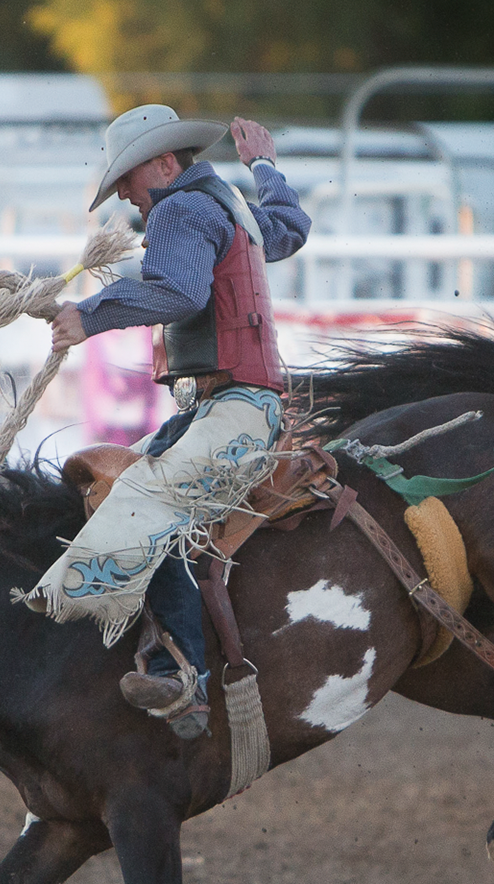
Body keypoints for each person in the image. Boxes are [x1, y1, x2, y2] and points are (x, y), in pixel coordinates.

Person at [30, 105, 311, 738]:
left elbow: (182, 293)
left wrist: (89, 315)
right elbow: (290, 227)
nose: (126, 196)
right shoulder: (229, 205)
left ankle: (182, 675)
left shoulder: (182, 209)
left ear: (163, 163)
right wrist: (264, 167)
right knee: (119, 487)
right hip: (236, 408)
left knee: (143, 499)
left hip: (231, 410)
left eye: (127, 178)